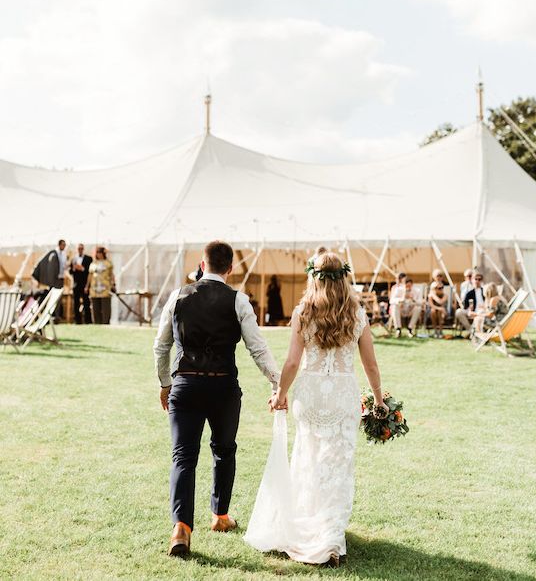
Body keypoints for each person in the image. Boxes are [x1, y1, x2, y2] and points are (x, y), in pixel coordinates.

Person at [244, 252, 386, 567]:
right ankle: (330, 540)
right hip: (342, 397)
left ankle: (307, 528)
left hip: (308, 397)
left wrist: (280, 392)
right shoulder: (356, 313)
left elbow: (293, 362)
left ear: (314, 276)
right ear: (344, 276)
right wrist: (378, 399)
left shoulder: (303, 312)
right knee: (336, 468)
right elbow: (370, 364)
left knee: (307, 461)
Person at [153, 240, 281, 558]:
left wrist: (165, 383)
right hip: (223, 388)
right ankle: (220, 516)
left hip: (185, 385)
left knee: (183, 457)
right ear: (230, 268)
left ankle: (181, 527)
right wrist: (279, 382)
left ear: (202, 263)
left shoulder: (177, 296)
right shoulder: (238, 300)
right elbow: (257, 348)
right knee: (224, 451)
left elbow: (161, 346)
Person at [86, 246, 115, 324]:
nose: (99, 254)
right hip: (94, 288)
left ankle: (106, 322)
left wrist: (113, 284)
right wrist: (87, 286)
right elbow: (90, 275)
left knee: (105, 306)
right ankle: (96, 322)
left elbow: (111, 275)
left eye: (100, 253)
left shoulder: (108, 263)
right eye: (97, 253)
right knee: (95, 306)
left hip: (105, 288)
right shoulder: (93, 263)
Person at [70, 243, 92, 324]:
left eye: (81, 248)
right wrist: (74, 269)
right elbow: (70, 271)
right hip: (76, 284)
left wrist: (82, 269)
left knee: (86, 303)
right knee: (76, 303)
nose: (80, 250)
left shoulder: (88, 259)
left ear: (83, 249)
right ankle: (77, 321)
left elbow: (90, 271)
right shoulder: (74, 259)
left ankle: (88, 321)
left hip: (84, 284)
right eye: (79, 248)